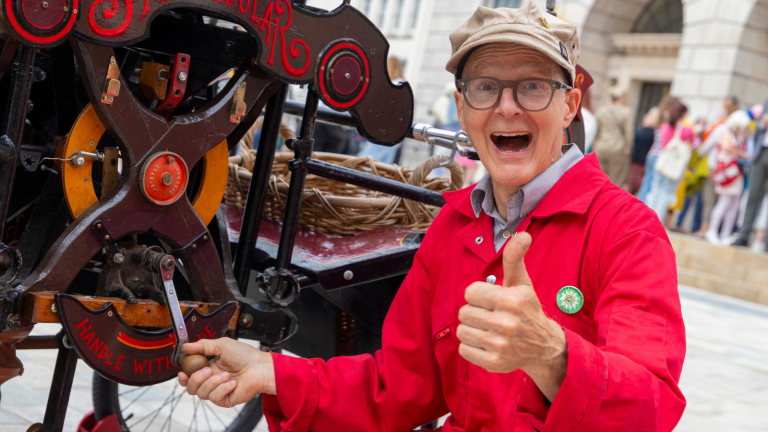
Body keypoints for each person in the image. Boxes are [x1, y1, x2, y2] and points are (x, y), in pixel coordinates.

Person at [178, 3, 686, 431]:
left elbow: (653, 407)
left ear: (570, 105)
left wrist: (552, 355)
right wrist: (269, 371)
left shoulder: (626, 230)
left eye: (533, 87)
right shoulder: (455, 224)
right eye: (485, 87)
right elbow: (396, 385)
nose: (507, 107)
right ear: (462, 109)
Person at [705, 111, 751, 244]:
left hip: (737, 173)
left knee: (734, 205)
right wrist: (742, 153)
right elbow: (725, 147)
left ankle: (725, 234)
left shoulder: (739, 135)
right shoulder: (726, 132)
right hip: (727, 173)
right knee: (723, 202)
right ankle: (712, 231)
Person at [646, 98, 694, 224]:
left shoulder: (665, 126)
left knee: (655, 191)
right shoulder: (687, 130)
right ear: (683, 114)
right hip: (674, 166)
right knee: (666, 194)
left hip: (662, 162)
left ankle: (648, 218)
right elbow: (692, 145)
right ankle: (656, 221)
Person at [732, 102, 768, 247]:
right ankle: (744, 235)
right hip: (761, 153)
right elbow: (758, 127)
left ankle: (763, 241)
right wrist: (763, 123)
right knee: (752, 196)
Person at [593, 87, 634, 188]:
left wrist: (595, 143)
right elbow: (629, 131)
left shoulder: (602, 110)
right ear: (621, 98)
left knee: (598, 179)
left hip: (601, 148)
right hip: (618, 149)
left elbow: (596, 129)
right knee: (614, 182)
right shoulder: (627, 111)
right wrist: (629, 145)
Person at [628, 107, 661, 195]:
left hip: (635, 162)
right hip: (646, 165)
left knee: (630, 188)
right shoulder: (657, 134)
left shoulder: (641, 130)